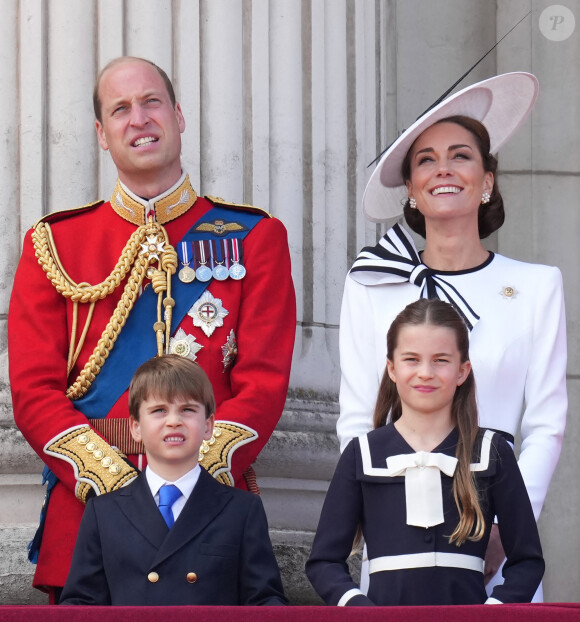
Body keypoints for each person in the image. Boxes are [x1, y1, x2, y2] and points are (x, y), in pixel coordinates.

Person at [8, 56, 296, 600]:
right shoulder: (54, 245)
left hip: (211, 514)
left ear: (179, 116)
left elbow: (263, 383)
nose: (138, 119)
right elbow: (32, 391)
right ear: (102, 134)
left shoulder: (255, 237)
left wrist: (189, 478)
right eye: (120, 109)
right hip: (89, 510)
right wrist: (121, 490)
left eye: (151, 102)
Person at [337, 73, 566, 592]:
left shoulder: (536, 286)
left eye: (460, 155)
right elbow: (356, 417)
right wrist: (382, 517)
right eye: (426, 160)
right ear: (411, 191)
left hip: (499, 516)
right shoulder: (372, 283)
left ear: (487, 180)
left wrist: (509, 527)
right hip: (397, 516)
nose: (443, 168)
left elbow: (547, 423)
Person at [307, 298, 544, 606]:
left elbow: (527, 560)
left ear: (462, 371)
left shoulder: (491, 452)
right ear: (391, 368)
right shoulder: (362, 453)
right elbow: (323, 562)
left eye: (441, 360)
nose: (425, 372)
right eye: (412, 359)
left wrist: (493, 612)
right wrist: (360, 610)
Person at [60, 355, 287, 606]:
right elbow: (80, 606)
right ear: (136, 427)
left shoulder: (242, 510)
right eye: (159, 411)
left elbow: (265, 602)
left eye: (187, 410)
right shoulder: (103, 513)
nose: (174, 421)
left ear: (209, 425)